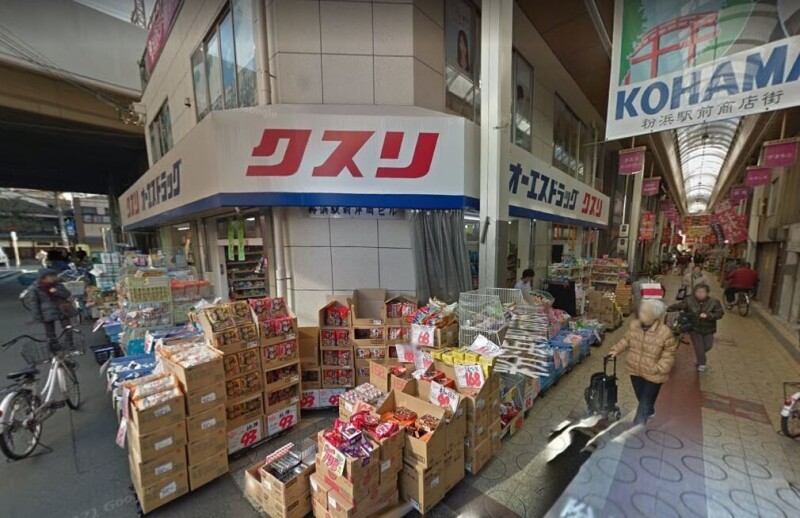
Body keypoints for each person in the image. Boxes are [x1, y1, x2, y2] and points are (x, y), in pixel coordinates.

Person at [608, 299, 677, 425]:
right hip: (635, 370)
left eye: (645, 312)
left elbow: (669, 354)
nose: (640, 314)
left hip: (654, 374)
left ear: (654, 316)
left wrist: (659, 368)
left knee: (645, 401)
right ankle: (649, 412)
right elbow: (626, 340)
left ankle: (638, 425)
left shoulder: (665, 332)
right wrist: (616, 350)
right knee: (642, 398)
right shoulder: (634, 325)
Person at [669, 284, 723, 372]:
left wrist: (709, 315)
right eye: (698, 292)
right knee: (699, 347)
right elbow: (680, 305)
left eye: (702, 292)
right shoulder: (689, 300)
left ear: (707, 293)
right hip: (694, 328)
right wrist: (668, 308)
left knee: (708, 346)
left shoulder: (714, 302)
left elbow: (719, 313)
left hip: (709, 329)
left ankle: (699, 355)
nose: (700, 294)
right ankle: (702, 364)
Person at [27, 269, 74, 345]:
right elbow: (34, 303)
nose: (54, 278)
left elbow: (67, 294)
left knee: (68, 327)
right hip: (47, 312)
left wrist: (57, 292)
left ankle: (69, 343)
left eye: (54, 276)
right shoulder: (35, 288)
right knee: (50, 331)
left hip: (62, 309)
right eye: (51, 276)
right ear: (43, 278)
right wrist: (37, 316)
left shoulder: (58, 285)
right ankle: (53, 346)